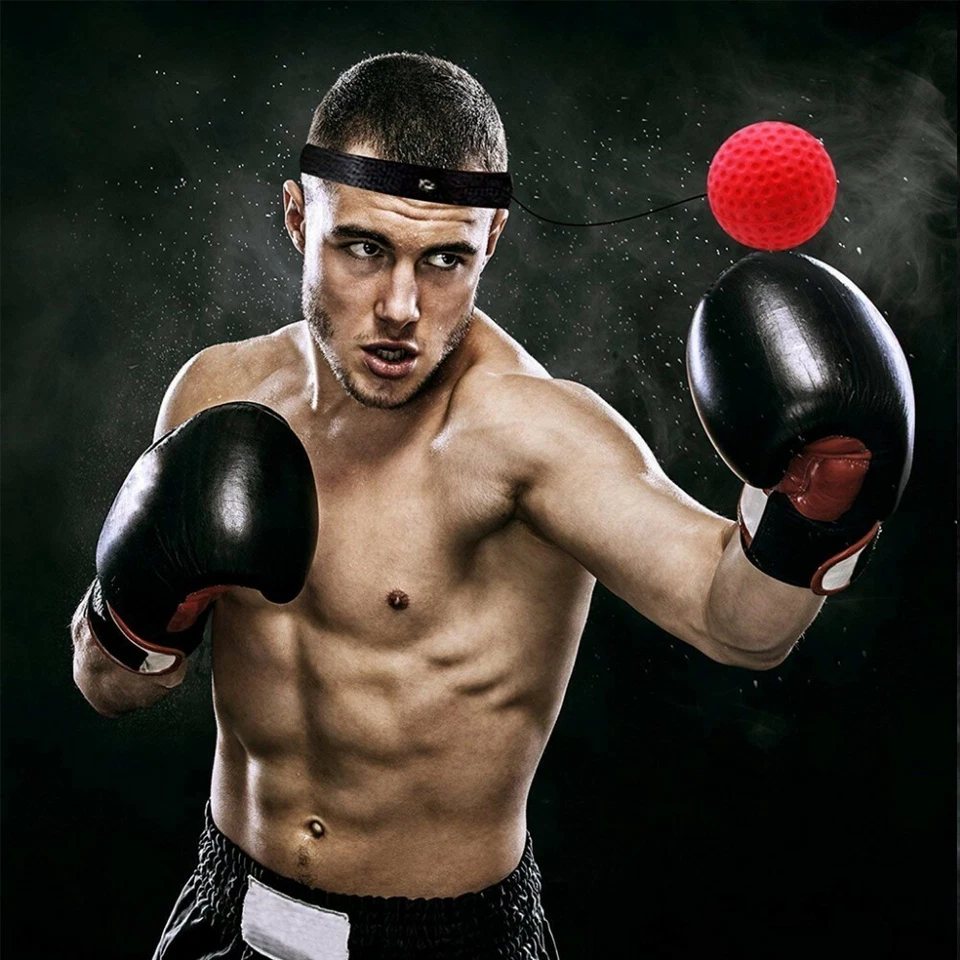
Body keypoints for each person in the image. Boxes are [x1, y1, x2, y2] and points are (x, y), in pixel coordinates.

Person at [70, 53, 913, 960]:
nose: (402, 305)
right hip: (225, 903)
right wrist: (135, 615)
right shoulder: (216, 391)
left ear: (494, 241)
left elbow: (737, 621)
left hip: (447, 938)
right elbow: (108, 686)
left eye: (445, 260)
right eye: (364, 248)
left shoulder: (529, 434)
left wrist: (821, 508)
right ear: (296, 217)